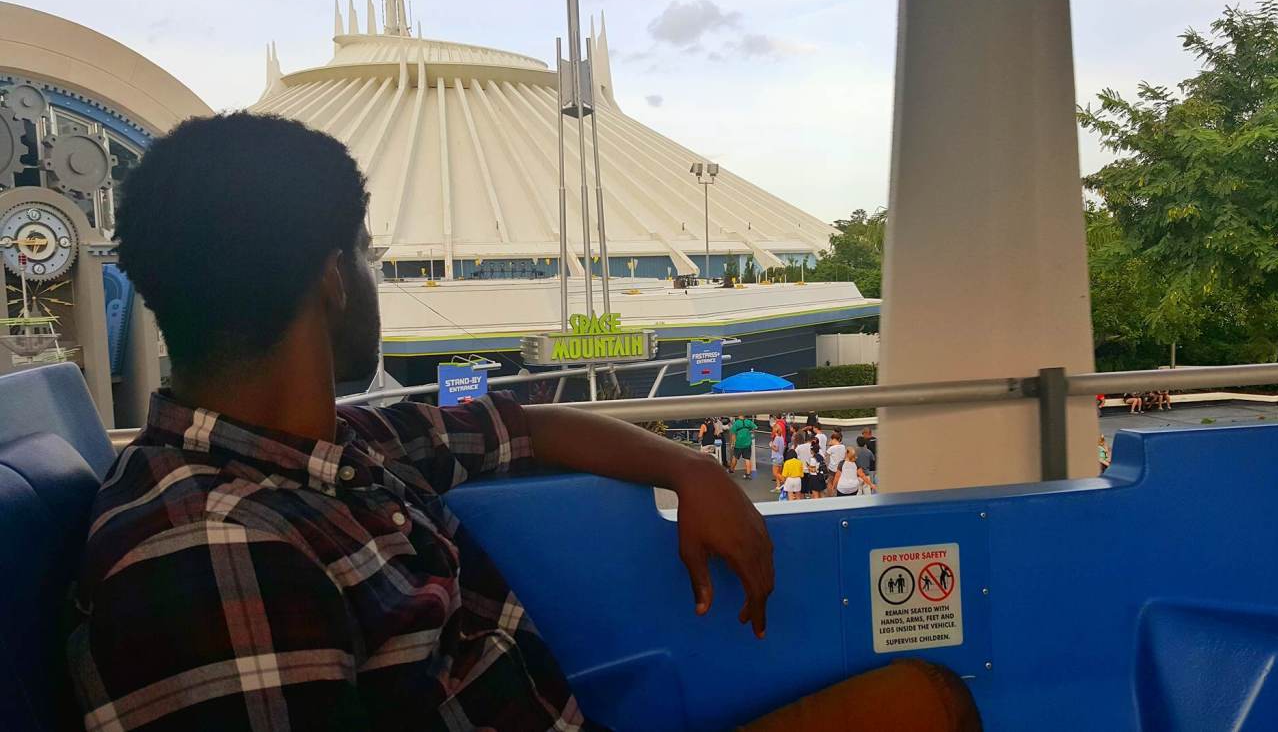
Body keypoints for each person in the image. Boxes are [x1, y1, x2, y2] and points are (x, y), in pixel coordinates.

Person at [70, 114, 775, 731]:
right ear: (332, 280)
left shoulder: (342, 452)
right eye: (366, 253)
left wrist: (691, 467)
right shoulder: (211, 554)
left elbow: (526, 426)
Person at [732, 414, 757, 479]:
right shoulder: (748, 422)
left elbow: (733, 434)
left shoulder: (736, 423)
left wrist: (733, 443)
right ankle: (748, 474)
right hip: (747, 443)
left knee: (735, 457)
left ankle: (731, 470)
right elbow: (755, 427)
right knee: (747, 459)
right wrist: (751, 433)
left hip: (738, 444)